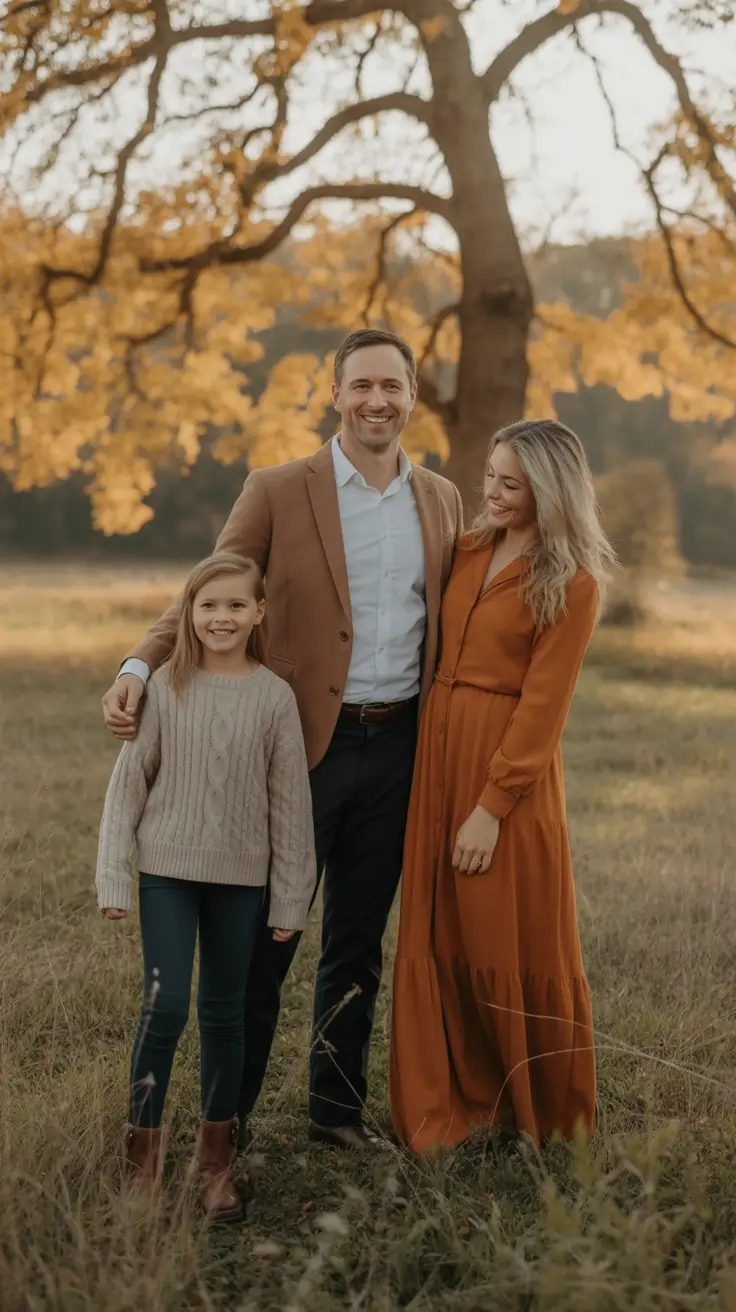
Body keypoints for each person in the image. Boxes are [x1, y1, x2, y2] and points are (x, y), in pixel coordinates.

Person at [101, 328, 463, 1151]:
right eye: (361, 385)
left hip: (399, 745)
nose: (377, 400)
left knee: (358, 942)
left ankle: (334, 1112)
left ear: (412, 396)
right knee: (268, 940)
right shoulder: (276, 488)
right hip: (296, 748)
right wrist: (139, 664)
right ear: (336, 394)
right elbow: (209, 586)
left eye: (392, 386)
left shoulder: (441, 498)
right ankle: (228, 1121)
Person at [390, 419, 616, 1153]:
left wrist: (491, 807)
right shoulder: (467, 550)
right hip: (438, 756)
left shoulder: (572, 584)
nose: (491, 492)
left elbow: (544, 709)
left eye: (510, 484)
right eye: (490, 475)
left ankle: (534, 1105)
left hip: (505, 772)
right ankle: (453, 1098)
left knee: (501, 930)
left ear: (551, 491)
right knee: (441, 925)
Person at [97, 552, 316, 1221]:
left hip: (240, 880)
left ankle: (215, 1168)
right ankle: (142, 1167)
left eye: (236, 606)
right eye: (209, 605)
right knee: (163, 1009)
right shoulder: (166, 686)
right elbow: (127, 788)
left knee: (225, 1013)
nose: (222, 618)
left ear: (259, 613)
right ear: (189, 612)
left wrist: (290, 898)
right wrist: (114, 877)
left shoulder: (274, 698)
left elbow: (291, 807)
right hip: (167, 873)